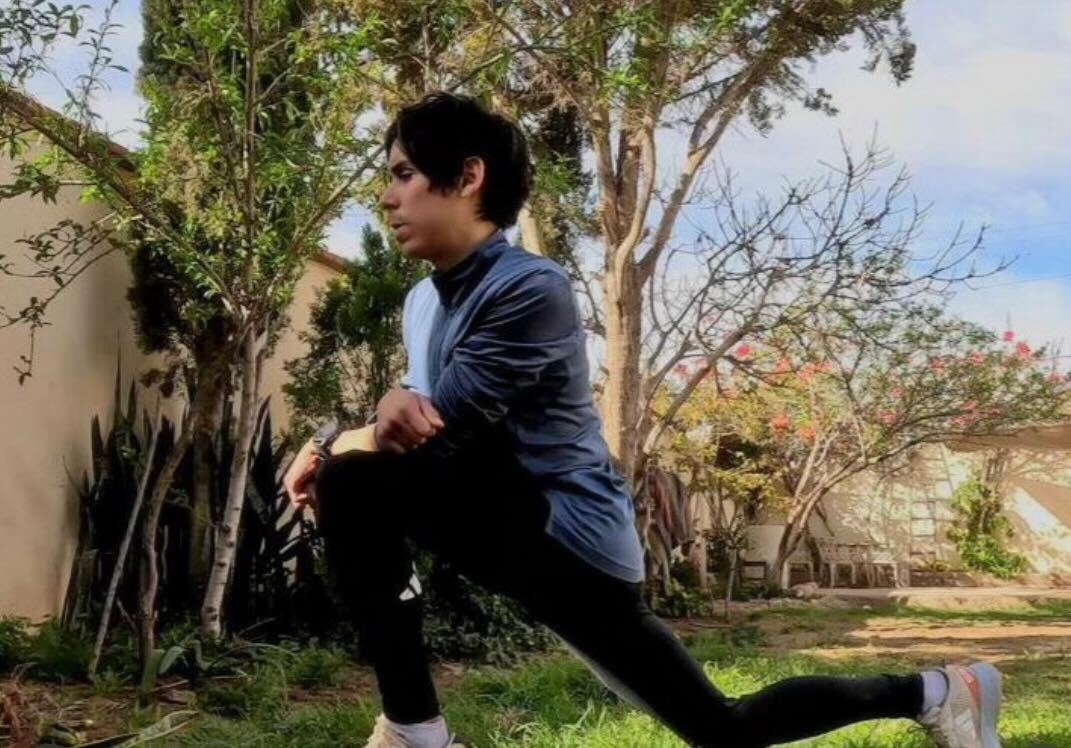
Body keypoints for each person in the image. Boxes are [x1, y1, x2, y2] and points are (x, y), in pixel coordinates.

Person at [282, 92, 1002, 748]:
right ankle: (413, 729)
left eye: (404, 174)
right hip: (505, 529)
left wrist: (337, 439)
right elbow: (407, 420)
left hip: (568, 537)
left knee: (351, 479)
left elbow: (435, 423)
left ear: (468, 176)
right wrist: (359, 430)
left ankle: (935, 693)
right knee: (352, 481)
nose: (387, 197)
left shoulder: (530, 286)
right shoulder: (422, 303)